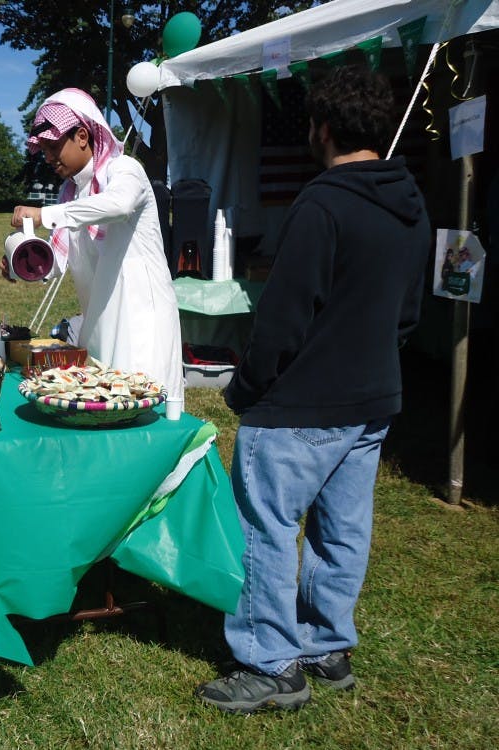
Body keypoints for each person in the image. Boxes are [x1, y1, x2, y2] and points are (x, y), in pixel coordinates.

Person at [196, 66, 430, 714]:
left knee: (265, 526)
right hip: (373, 400)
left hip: (303, 405)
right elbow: (411, 311)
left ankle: (272, 664)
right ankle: (327, 644)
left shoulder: (323, 202)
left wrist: (246, 387)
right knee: (343, 529)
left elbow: (282, 318)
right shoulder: (411, 203)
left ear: (322, 128)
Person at [7, 88, 184, 397]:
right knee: (107, 415)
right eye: (43, 148)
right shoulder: (70, 194)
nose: (47, 157)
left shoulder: (125, 170)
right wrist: (19, 263)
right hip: (100, 322)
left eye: (53, 146)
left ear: (82, 136)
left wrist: (44, 213)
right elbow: (55, 263)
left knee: (145, 414)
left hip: (141, 321)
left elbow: (118, 205)